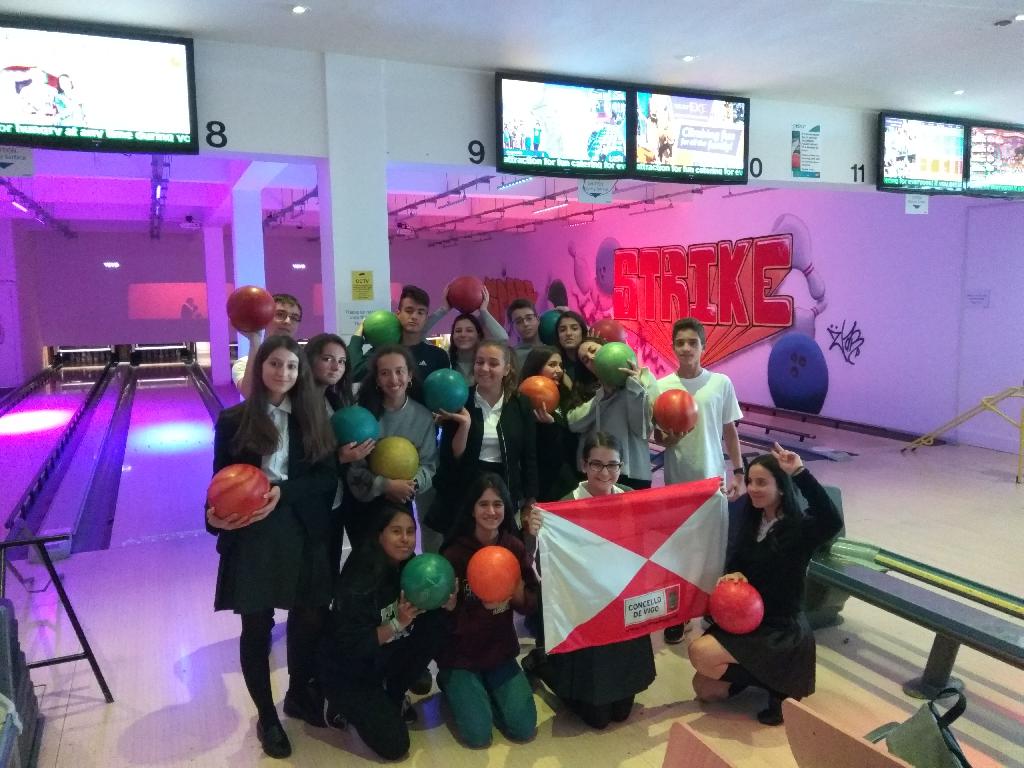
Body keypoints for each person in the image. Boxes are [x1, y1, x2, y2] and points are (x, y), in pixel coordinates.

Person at [206, 335, 337, 759]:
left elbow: (326, 478)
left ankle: (297, 693)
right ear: (260, 367)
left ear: (301, 373)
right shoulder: (234, 420)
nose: (283, 373)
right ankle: (267, 715)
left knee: (309, 615)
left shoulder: (313, 417)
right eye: (275, 364)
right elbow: (217, 481)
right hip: (253, 532)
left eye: (292, 366)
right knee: (257, 625)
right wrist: (211, 518)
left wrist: (285, 492)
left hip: (301, 525)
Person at [687, 443, 842, 726]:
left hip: (780, 628)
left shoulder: (800, 528)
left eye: (762, 482)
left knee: (700, 652)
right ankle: (769, 677)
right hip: (747, 620)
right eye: (750, 481)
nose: (753, 488)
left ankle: (781, 687)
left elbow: (832, 520)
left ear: (781, 487)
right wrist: (733, 575)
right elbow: (737, 562)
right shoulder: (751, 520)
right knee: (705, 690)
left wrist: (800, 473)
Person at [522, 432, 656, 730]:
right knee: (597, 719)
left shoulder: (631, 499)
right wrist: (535, 534)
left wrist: (712, 495)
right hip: (586, 610)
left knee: (621, 712)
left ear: (621, 466)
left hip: (621, 606)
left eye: (612, 465)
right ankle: (542, 663)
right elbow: (545, 568)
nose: (604, 473)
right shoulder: (565, 506)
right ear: (583, 465)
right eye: (596, 464)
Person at [318, 504, 454, 761]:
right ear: (379, 535)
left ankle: (392, 695)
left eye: (410, 531)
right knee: (396, 746)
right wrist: (397, 623)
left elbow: (428, 622)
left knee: (436, 622)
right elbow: (351, 645)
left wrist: (446, 603)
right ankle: (340, 703)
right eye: (396, 531)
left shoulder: (410, 568)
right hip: (348, 671)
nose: (405, 539)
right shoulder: (360, 577)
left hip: (380, 659)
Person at [657, 317, 744, 644]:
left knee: (712, 552)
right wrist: (668, 438)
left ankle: (711, 608)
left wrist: (739, 472)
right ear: (673, 347)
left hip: (712, 484)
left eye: (692, 342)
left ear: (703, 347)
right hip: (677, 483)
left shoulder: (720, 383)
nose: (686, 348)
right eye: (680, 343)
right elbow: (658, 436)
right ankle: (678, 613)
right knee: (679, 552)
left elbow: (730, 431)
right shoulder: (662, 387)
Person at [437, 474, 539, 747]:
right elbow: (438, 619)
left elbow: (531, 601)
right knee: (478, 736)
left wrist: (515, 593)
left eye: (498, 504)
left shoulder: (513, 547)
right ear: (472, 509)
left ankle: (488, 687)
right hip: (460, 656)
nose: (491, 511)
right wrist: (450, 608)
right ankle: (451, 682)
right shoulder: (454, 554)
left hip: (499, 652)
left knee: (524, 728)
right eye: (483, 504)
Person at [426, 340, 538, 552]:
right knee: (463, 552)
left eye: (493, 363)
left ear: (507, 369)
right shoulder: (460, 399)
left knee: (503, 552)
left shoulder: (520, 403)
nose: (484, 368)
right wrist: (465, 426)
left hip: (505, 487)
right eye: (479, 362)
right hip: (465, 486)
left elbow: (529, 456)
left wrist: (530, 500)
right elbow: (452, 457)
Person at [345, 345, 438, 548]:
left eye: (399, 371)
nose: (393, 379)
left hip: (402, 502)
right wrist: (385, 486)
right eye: (385, 373)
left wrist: (409, 486)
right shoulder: (361, 415)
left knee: (400, 559)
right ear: (377, 379)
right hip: (364, 505)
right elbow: (354, 470)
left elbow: (429, 465)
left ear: (410, 375)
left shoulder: (423, 417)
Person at [305, 333, 374, 572]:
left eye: (342, 361)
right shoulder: (298, 404)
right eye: (328, 359)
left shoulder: (333, 399)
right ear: (310, 360)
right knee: (313, 575)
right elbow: (297, 460)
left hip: (335, 499)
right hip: (310, 505)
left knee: (329, 570)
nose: (336, 367)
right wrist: (341, 457)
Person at [566, 337, 655, 490]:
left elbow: (642, 429)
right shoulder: (588, 389)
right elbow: (574, 423)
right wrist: (603, 396)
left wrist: (635, 388)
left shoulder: (645, 379)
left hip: (633, 471)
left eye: (593, 350)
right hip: (598, 472)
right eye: (585, 360)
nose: (591, 358)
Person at [350, 285, 450, 383]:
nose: (414, 316)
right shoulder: (383, 352)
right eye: (409, 311)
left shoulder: (438, 355)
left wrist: (445, 309)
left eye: (420, 312)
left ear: (425, 318)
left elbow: (444, 390)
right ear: (398, 314)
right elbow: (354, 373)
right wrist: (356, 338)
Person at [518, 345, 577, 502]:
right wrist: (548, 428)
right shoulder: (525, 400)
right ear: (536, 367)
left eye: (561, 365)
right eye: (552, 365)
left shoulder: (564, 396)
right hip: (543, 486)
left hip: (567, 480)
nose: (559, 370)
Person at [232, 293, 304, 399]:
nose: (287, 321)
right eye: (280, 314)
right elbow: (250, 394)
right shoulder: (243, 364)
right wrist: (254, 341)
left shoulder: (306, 360)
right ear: (265, 317)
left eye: (294, 317)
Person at [554, 310, 587, 387]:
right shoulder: (556, 366)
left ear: (582, 332)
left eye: (574, 328)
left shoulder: (592, 358)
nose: (568, 333)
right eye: (562, 330)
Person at [507, 298, 542, 369]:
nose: (525, 324)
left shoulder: (552, 345)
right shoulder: (512, 356)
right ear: (512, 327)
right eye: (518, 321)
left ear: (538, 319)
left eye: (529, 318)